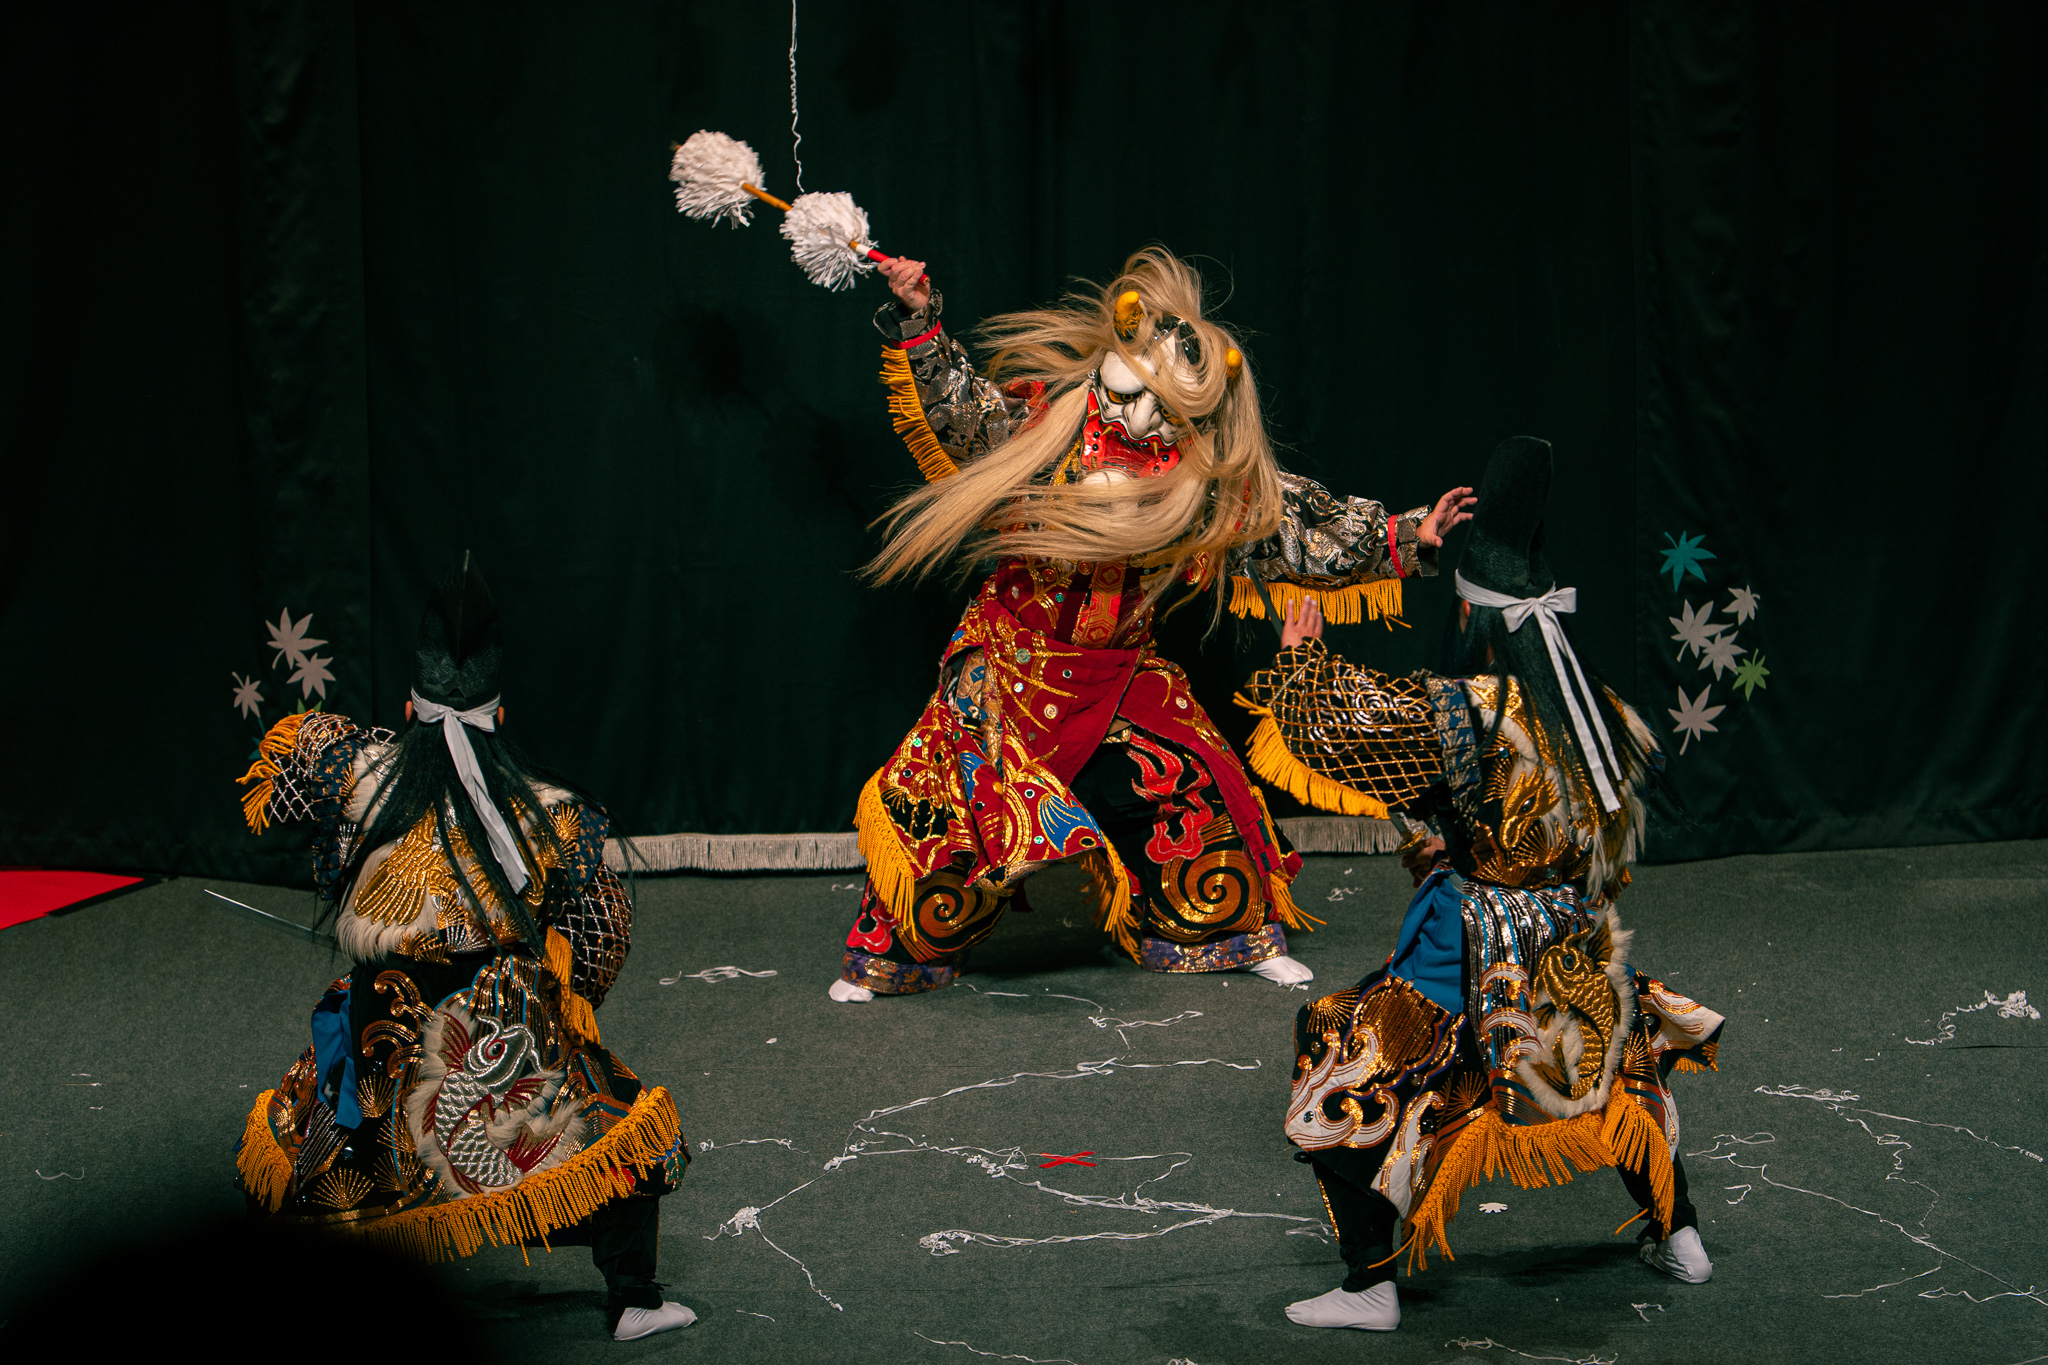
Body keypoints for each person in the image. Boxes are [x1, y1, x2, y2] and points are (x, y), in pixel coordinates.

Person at [835, 247, 1477, 1001]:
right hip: (1013, 668)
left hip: (1117, 674)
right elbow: (964, 414)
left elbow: (1294, 525)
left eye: (1165, 403)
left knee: (1195, 782)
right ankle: (899, 954)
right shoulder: (1045, 430)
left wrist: (1407, 536)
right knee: (949, 809)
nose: (1141, 414)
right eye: (1136, 388)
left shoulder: (1199, 479)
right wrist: (918, 318)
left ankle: (1221, 929)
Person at [1236, 437, 1723, 1332]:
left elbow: (1346, 730)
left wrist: (1301, 661)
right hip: (1572, 933)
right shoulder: (1595, 706)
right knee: (1615, 1063)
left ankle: (1370, 1279)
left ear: (1474, 618)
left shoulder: (1467, 709)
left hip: (1473, 941)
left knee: (1350, 1051)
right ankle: (1679, 1229)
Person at [230, 558, 696, 1342]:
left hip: (374, 1053)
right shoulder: (557, 816)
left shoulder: (353, 767)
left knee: (294, 1138)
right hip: (500, 1046)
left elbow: (272, 791)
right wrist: (553, 1019)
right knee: (619, 1124)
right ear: (501, 715)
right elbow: (597, 950)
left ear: (410, 703)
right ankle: (632, 1297)